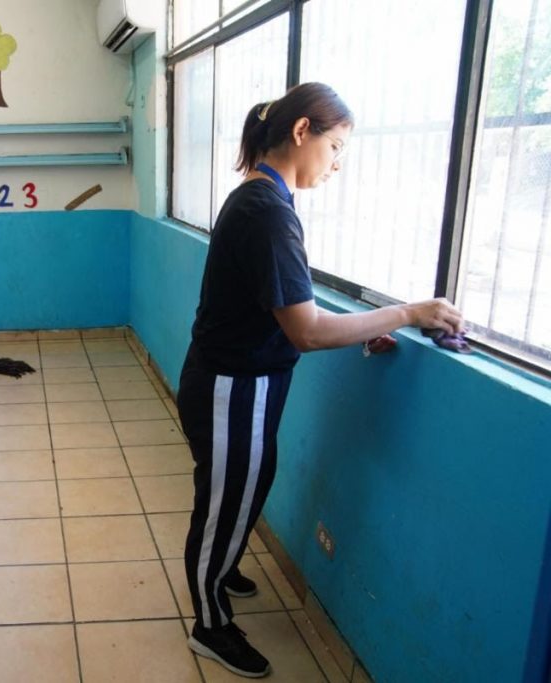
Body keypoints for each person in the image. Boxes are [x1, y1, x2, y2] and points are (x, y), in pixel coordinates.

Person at [179, 82, 463, 678]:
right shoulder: (266, 211)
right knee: (224, 503)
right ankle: (209, 623)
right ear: (302, 130)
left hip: (242, 384)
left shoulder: (263, 197)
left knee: (246, 488)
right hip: (233, 389)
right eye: (336, 147)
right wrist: (407, 313)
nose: (337, 165)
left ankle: (220, 568)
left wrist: (364, 329)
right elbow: (307, 330)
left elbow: (288, 308)